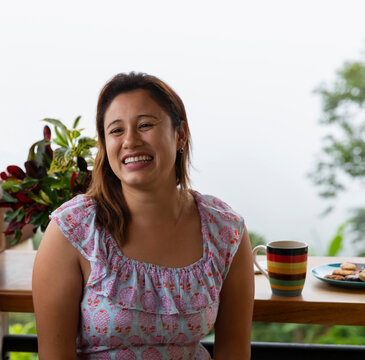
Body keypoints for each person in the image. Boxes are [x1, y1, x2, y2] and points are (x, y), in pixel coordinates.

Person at [32, 72, 254, 359]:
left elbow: (234, 351)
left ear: (180, 135)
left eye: (145, 125)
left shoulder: (225, 230)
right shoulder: (73, 231)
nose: (130, 141)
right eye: (116, 131)